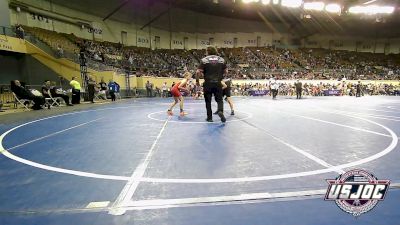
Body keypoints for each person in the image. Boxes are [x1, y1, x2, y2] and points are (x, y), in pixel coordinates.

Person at [196, 46, 227, 123]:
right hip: (218, 83)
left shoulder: (204, 60)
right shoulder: (222, 60)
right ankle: (220, 111)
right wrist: (221, 76)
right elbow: (226, 71)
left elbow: (198, 72)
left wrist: (197, 81)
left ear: (207, 51)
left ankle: (209, 118)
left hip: (208, 83)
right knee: (220, 100)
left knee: (208, 101)